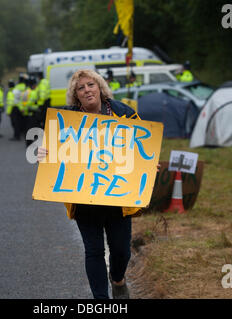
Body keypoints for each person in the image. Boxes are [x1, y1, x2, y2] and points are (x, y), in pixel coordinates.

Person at [37, 69, 158, 299]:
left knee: (121, 250)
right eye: (80, 88)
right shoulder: (65, 118)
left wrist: (149, 163)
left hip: (118, 195)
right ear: (76, 95)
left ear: (100, 87)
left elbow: (143, 145)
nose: (86, 90)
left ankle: (118, 280)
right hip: (84, 197)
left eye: (90, 85)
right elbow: (49, 150)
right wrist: (43, 152)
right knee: (94, 251)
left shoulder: (123, 112)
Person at [9, 75, 27, 141]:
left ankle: (18, 134)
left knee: (17, 121)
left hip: (18, 106)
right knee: (25, 121)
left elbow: (16, 98)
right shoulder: (26, 87)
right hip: (26, 105)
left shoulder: (16, 88)